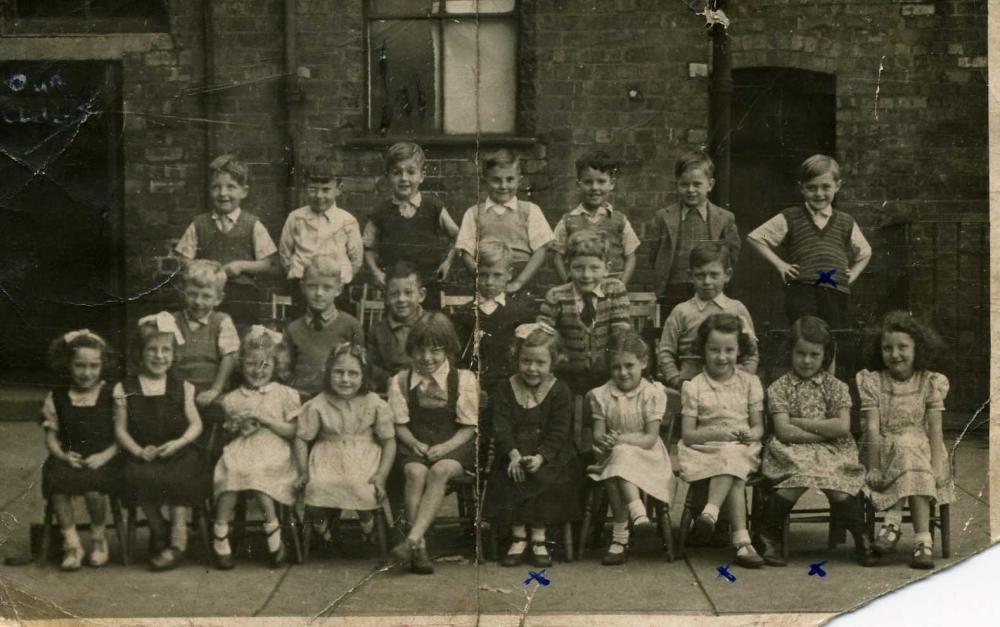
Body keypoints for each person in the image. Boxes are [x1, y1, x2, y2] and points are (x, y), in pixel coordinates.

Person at [756, 316, 876, 567]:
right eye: (800, 353)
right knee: (798, 475)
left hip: (833, 450)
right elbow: (784, 432)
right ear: (791, 351)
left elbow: (842, 426)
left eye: (814, 354)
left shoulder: (836, 387)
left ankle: (862, 536)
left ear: (826, 355)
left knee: (838, 485)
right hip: (791, 450)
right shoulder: (780, 387)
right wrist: (825, 431)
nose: (807, 361)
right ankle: (769, 535)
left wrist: (798, 421)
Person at [858, 311, 953, 570]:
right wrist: (874, 466)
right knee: (903, 446)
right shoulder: (874, 381)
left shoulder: (930, 381)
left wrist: (937, 464)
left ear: (917, 348)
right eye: (887, 348)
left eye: (902, 347)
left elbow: (935, 430)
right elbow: (873, 428)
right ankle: (922, 540)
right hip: (882, 448)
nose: (894, 354)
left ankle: (893, 524)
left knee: (911, 449)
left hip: (923, 449)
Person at [113, 312, 205, 571]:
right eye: (151, 349)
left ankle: (178, 538)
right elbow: (120, 430)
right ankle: (159, 527)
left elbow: (196, 424)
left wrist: (179, 443)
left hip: (177, 450)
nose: (159, 356)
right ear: (139, 353)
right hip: (144, 451)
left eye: (166, 350)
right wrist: (138, 451)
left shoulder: (182, 387)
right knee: (134, 475)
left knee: (182, 472)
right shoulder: (125, 388)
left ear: (174, 354)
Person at [388, 313, 479, 575]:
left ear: (448, 350)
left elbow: (469, 428)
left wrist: (445, 448)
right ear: (411, 349)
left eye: (435, 351)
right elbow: (399, 424)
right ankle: (421, 546)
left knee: (439, 471)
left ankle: (413, 541)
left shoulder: (462, 380)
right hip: (415, 446)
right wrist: (414, 443)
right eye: (420, 349)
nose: (427, 357)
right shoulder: (401, 381)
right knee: (415, 472)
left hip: (453, 447)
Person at [485, 323, 581, 568]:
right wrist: (514, 455)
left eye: (540, 363)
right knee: (510, 475)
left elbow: (559, 432)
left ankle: (539, 537)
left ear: (553, 362)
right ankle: (518, 537)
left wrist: (541, 457)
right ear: (517, 358)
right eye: (526, 361)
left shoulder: (559, 391)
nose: (532, 368)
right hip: (514, 452)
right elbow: (501, 427)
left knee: (545, 477)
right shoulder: (506, 388)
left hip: (550, 455)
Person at [677, 313, 764, 569]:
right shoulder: (694, 387)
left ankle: (709, 513)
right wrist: (719, 434)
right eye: (714, 349)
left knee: (733, 456)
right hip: (702, 449)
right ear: (703, 349)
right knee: (732, 465)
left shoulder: (749, 383)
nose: (721, 356)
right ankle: (742, 542)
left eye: (729, 350)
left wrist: (752, 434)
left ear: (740, 350)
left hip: (741, 447)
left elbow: (758, 426)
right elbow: (689, 435)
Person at [746, 154, 872, 329]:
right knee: (804, 335)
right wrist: (781, 265)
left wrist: (854, 274)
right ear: (802, 188)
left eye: (825, 187)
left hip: (836, 292)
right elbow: (755, 238)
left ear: (837, 186)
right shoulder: (790, 217)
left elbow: (865, 252)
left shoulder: (846, 221)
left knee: (835, 337)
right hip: (801, 291)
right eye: (812, 188)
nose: (819, 193)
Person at [294, 343, 396, 557]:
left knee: (362, 488)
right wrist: (303, 471)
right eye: (339, 372)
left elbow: (389, 441)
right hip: (327, 456)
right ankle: (324, 532)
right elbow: (302, 438)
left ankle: (368, 529)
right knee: (316, 488)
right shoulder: (318, 403)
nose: (345, 379)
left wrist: (382, 475)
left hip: (363, 456)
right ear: (329, 373)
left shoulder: (374, 403)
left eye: (353, 373)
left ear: (364, 375)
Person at [212, 326, 301, 570]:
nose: (258, 371)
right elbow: (228, 430)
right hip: (242, 449)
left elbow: (293, 431)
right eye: (251, 364)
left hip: (275, 449)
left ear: (276, 366)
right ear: (241, 365)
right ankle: (220, 533)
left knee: (259, 474)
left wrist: (268, 421)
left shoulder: (285, 394)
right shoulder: (233, 398)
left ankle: (273, 531)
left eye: (265, 365)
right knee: (231, 471)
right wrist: (239, 426)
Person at [587, 331, 673, 566]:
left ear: (643, 363)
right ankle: (637, 514)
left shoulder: (652, 394)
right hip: (612, 456)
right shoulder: (601, 394)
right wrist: (603, 441)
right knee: (618, 461)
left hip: (648, 456)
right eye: (616, 367)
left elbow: (649, 438)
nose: (622, 373)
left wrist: (618, 442)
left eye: (629, 365)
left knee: (620, 457)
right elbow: (598, 433)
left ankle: (620, 536)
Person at [39, 329, 121, 571]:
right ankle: (72, 543)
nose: (87, 373)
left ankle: (98, 538)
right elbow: (51, 437)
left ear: (102, 365)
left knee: (94, 489)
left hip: (103, 456)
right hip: (68, 456)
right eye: (79, 366)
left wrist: (105, 456)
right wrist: (62, 456)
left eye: (93, 366)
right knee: (58, 485)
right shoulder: (57, 395)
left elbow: (122, 435)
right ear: (67, 365)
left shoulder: (111, 393)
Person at [173, 154, 277, 327]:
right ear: (209, 190)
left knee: (241, 335)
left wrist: (242, 266)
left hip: (242, 297)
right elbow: (183, 257)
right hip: (206, 295)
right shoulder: (199, 224)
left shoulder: (252, 224)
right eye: (216, 187)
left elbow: (269, 263)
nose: (223, 193)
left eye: (231, 187)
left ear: (244, 191)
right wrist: (201, 268)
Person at [363, 141, 459, 309]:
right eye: (396, 172)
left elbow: (458, 236)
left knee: (428, 329)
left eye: (411, 172)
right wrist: (376, 272)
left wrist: (447, 262)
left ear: (422, 175)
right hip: (395, 288)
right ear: (388, 176)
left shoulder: (433, 206)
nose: (404, 178)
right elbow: (367, 246)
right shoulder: (381, 211)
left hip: (428, 286)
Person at [538, 230, 632, 396]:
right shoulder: (556, 296)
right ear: (568, 267)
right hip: (567, 374)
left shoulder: (614, 290)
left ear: (606, 268)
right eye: (578, 268)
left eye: (595, 268)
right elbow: (544, 336)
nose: (586, 275)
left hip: (606, 374)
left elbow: (620, 333)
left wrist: (608, 364)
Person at [651, 150, 741, 322]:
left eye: (697, 184)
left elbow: (732, 254)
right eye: (684, 184)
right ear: (677, 184)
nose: (690, 190)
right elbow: (654, 254)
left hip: (709, 287)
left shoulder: (724, 218)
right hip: (674, 288)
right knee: (675, 330)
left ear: (710, 184)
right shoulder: (663, 217)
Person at [657, 241, 758, 390]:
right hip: (691, 385)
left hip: (732, 386)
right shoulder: (681, 311)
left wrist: (745, 378)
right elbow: (665, 352)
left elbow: (751, 353)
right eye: (700, 275)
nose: (707, 282)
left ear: (727, 275)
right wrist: (676, 381)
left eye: (714, 275)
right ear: (690, 276)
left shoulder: (737, 309)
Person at [455, 149, 554, 297]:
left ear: (519, 181)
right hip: (487, 279)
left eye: (510, 179)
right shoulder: (474, 213)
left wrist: (518, 282)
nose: (503, 186)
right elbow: (466, 252)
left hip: (521, 277)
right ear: (484, 181)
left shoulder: (529, 210)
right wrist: (483, 281)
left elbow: (541, 250)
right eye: (496, 180)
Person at [170, 259, 240, 457]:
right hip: (180, 390)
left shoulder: (221, 322)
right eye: (192, 294)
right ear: (184, 292)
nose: (198, 301)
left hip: (209, 389)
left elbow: (230, 357)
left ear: (218, 298)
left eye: (206, 296)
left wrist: (215, 390)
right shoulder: (172, 320)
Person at [451, 240, 536, 400]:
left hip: (510, 389)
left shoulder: (520, 313)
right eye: (483, 274)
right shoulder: (464, 314)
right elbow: (459, 359)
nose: (489, 282)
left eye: (497, 275)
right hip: (471, 388)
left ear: (509, 274)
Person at [279, 155, 363, 300]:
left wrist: (341, 279)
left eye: (326, 190)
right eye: (313, 189)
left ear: (339, 189)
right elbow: (285, 253)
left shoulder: (347, 221)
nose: (319, 195)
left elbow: (356, 259)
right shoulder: (296, 218)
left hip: (336, 289)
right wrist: (299, 277)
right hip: (303, 287)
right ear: (306, 187)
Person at [551, 151, 640, 286]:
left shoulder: (620, 220)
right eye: (588, 182)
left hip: (612, 288)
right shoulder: (568, 221)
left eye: (601, 181)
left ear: (612, 184)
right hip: (579, 287)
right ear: (578, 184)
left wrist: (622, 284)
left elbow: (630, 256)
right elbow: (557, 257)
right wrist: (567, 284)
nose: (594, 187)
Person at [285, 255, 364, 398]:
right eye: (312, 286)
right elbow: (286, 371)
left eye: (327, 287)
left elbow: (360, 368)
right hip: (301, 399)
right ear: (303, 287)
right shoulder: (293, 329)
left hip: (338, 399)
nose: (319, 293)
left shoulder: (351, 325)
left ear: (339, 290)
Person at [367, 261, 429, 394]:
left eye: (408, 293)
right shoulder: (378, 330)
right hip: (391, 390)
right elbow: (372, 367)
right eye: (394, 294)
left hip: (427, 389)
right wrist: (394, 381)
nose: (401, 299)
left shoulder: (433, 325)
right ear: (386, 298)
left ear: (421, 295)